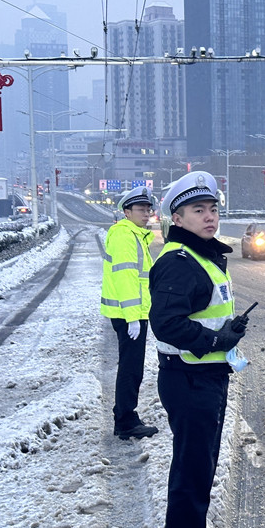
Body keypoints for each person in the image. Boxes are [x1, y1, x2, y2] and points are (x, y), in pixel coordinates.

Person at [149, 171, 248, 528]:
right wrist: (214, 339)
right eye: (197, 210)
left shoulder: (200, 256)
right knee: (192, 478)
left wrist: (227, 334)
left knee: (199, 472)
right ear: (177, 219)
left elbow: (200, 310)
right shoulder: (179, 261)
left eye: (212, 209)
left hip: (204, 377)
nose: (209, 217)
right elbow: (166, 323)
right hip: (190, 380)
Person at [100, 186, 159, 440]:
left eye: (148, 209)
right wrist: (133, 316)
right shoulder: (125, 235)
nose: (146, 214)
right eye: (140, 210)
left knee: (130, 366)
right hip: (129, 316)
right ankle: (125, 421)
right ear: (127, 211)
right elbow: (126, 278)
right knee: (131, 368)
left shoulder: (135, 235)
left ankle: (124, 415)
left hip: (133, 313)